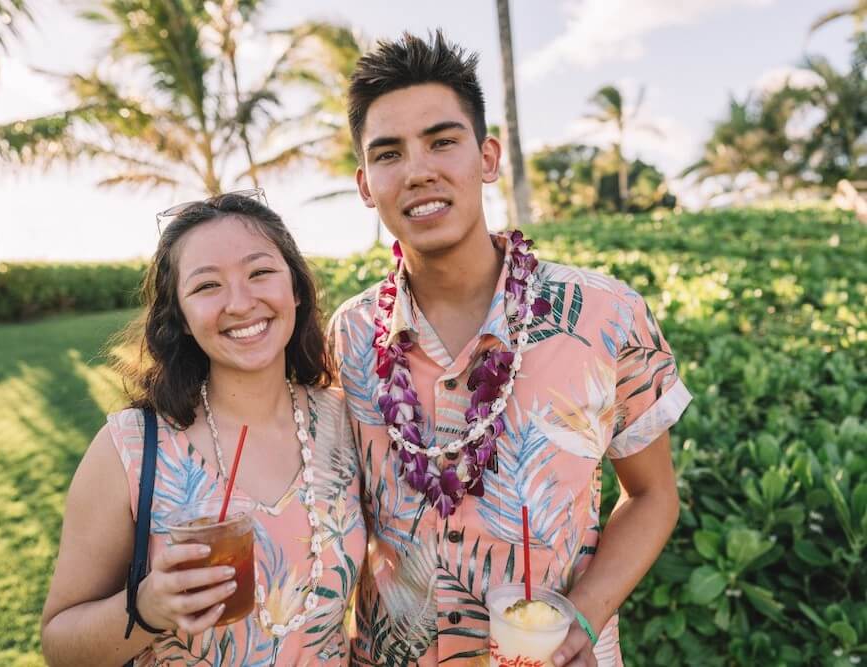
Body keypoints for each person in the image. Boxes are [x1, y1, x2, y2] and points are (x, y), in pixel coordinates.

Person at [328, 32, 692, 667]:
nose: (418, 171)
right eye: (390, 153)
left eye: (443, 141)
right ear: (366, 184)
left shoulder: (606, 317)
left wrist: (586, 613)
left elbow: (655, 495)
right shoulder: (348, 335)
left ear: (487, 157)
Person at [41, 192, 366, 666]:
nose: (240, 303)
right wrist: (148, 607)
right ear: (183, 318)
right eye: (207, 286)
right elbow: (60, 646)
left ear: (294, 288)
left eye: (260, 272)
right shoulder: (131, 448)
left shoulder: (345, 422)